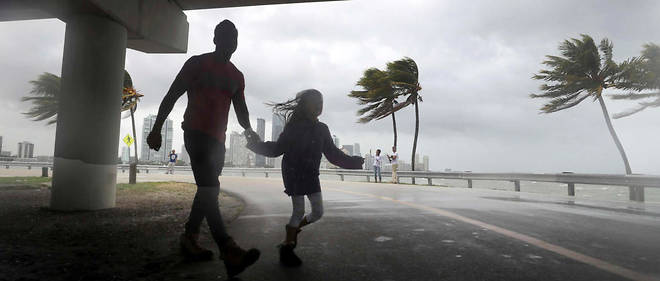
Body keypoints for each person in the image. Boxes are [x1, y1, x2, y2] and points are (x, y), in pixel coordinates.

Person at [146, 20, 259, 278]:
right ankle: (228, 249)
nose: (231, 41)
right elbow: (171, 95)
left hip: (218, 142)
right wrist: (156, 129)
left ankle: (189, 238)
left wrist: (250, 130)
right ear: (216, 39)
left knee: (208, 190)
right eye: (226, 36)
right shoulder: (196, 64)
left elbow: (241, 111)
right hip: (196, 136)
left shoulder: (237, 76)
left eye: (235, 37)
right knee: (210, 189)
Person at [244, 89, 364, 267]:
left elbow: (333, 154)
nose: (319, 105)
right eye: (314, 102)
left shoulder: (322, 129)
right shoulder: (293, 127)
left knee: (318, 212)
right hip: (293, 172)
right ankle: (288, 247)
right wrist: (255, 145)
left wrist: (354, 162)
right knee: (298, 210)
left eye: (321, 102)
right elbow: (277, 149)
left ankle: (292, 230)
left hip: (311, 174)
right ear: (304, 105)